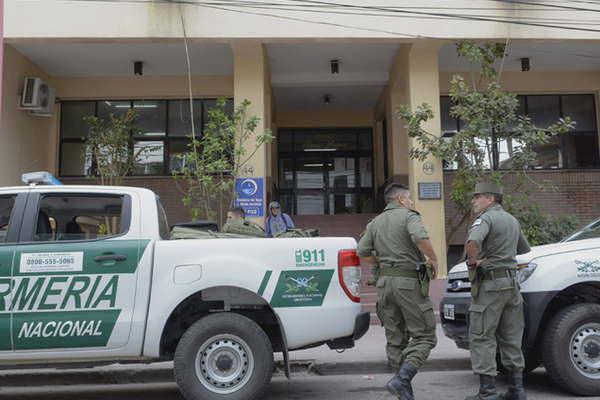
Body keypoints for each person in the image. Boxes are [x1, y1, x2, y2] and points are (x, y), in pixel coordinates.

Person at [358, 183, 439, 400]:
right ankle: (402, 380)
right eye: (410, 199)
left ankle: (403, 393)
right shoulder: (408, 216)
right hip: (408, 284)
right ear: (401, 200)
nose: (411, 202)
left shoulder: (375, 223)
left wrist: (382, 263)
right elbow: (420, 238)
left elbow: (362, 251)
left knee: (396, 339)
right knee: (425, 337)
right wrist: (433, 258)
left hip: (385, 285)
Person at [464, 182, 531, 400]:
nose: (474, 200)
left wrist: (474, 261)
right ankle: (517, 390)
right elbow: (524, 249)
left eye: (477, 196)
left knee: (482, 336)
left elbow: (472, 242)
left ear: (490, 198)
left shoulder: (486, 218)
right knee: (511, 336)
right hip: (512, 285)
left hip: (490, 286)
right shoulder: (512, 219)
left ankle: (488, 392)